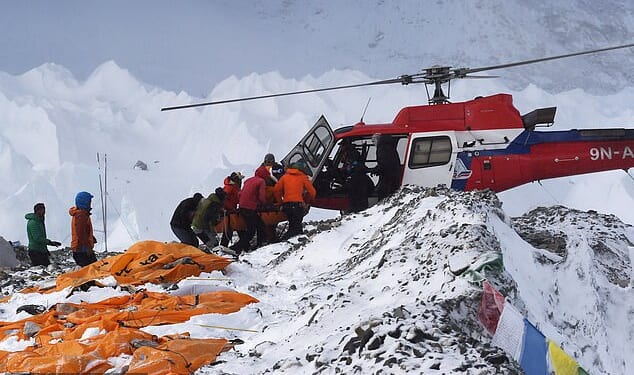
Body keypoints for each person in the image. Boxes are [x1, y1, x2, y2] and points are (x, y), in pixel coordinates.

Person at [274, 161, 317, 238]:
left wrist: (280, 202)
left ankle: (289, 241)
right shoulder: (303, 177)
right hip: (298, 205)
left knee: (293, 225)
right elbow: (312, 192)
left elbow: (277, 190)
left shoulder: (284, 177)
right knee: (296, 226)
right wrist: (307, 201)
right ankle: (287, 241)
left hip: (286, 205)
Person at [232, 166, 268, 253]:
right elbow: (262, 197)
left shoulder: (248, 180)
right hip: (250, 208)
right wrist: (264, 205)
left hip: (242, 206)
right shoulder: (261, 181)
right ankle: (236, 248)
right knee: (251, 231)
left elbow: (240, 193)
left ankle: (259, 243)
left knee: (259, 224)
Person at [25, 203, 61, 267]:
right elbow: (37, 238)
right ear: (37, 211)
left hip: (41, 251)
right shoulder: (33, 222)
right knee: (42, 269)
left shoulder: (39, 221)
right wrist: (50, 242)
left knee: (46, 268)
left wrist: (45, 250)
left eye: (44, 209)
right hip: (35, 251)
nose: (44, 212)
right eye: (42, 210)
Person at [69, 191, 98, 267]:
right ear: (85, 202)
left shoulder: (81, 213)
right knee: (92, 269)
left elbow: (83, 230)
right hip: (82, 250)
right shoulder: (81, 215)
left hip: (80, 249)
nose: (90, 203)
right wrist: (88, 246)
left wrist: (91, 237)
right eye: (89, 201)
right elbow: (81, 233)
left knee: (90, 269)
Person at [371, 134, 401, 200]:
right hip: (393, 177)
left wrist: (377, 170)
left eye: (373, 141)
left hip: (387, 178)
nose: (373, 143)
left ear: (378, 139)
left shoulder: (382, 148)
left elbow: (385, 164)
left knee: (383, 196)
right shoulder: (389, 147)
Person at [220, 172, 244, 247]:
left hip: (231, 211)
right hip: (228, 212)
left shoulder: (233, 187)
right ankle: (223, 246)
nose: (241, 181)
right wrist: (228, 209)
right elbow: (224, 199)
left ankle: (244, 245)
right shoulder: (230, 187)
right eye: (240, 179)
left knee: (237, 227)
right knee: (230, 230)